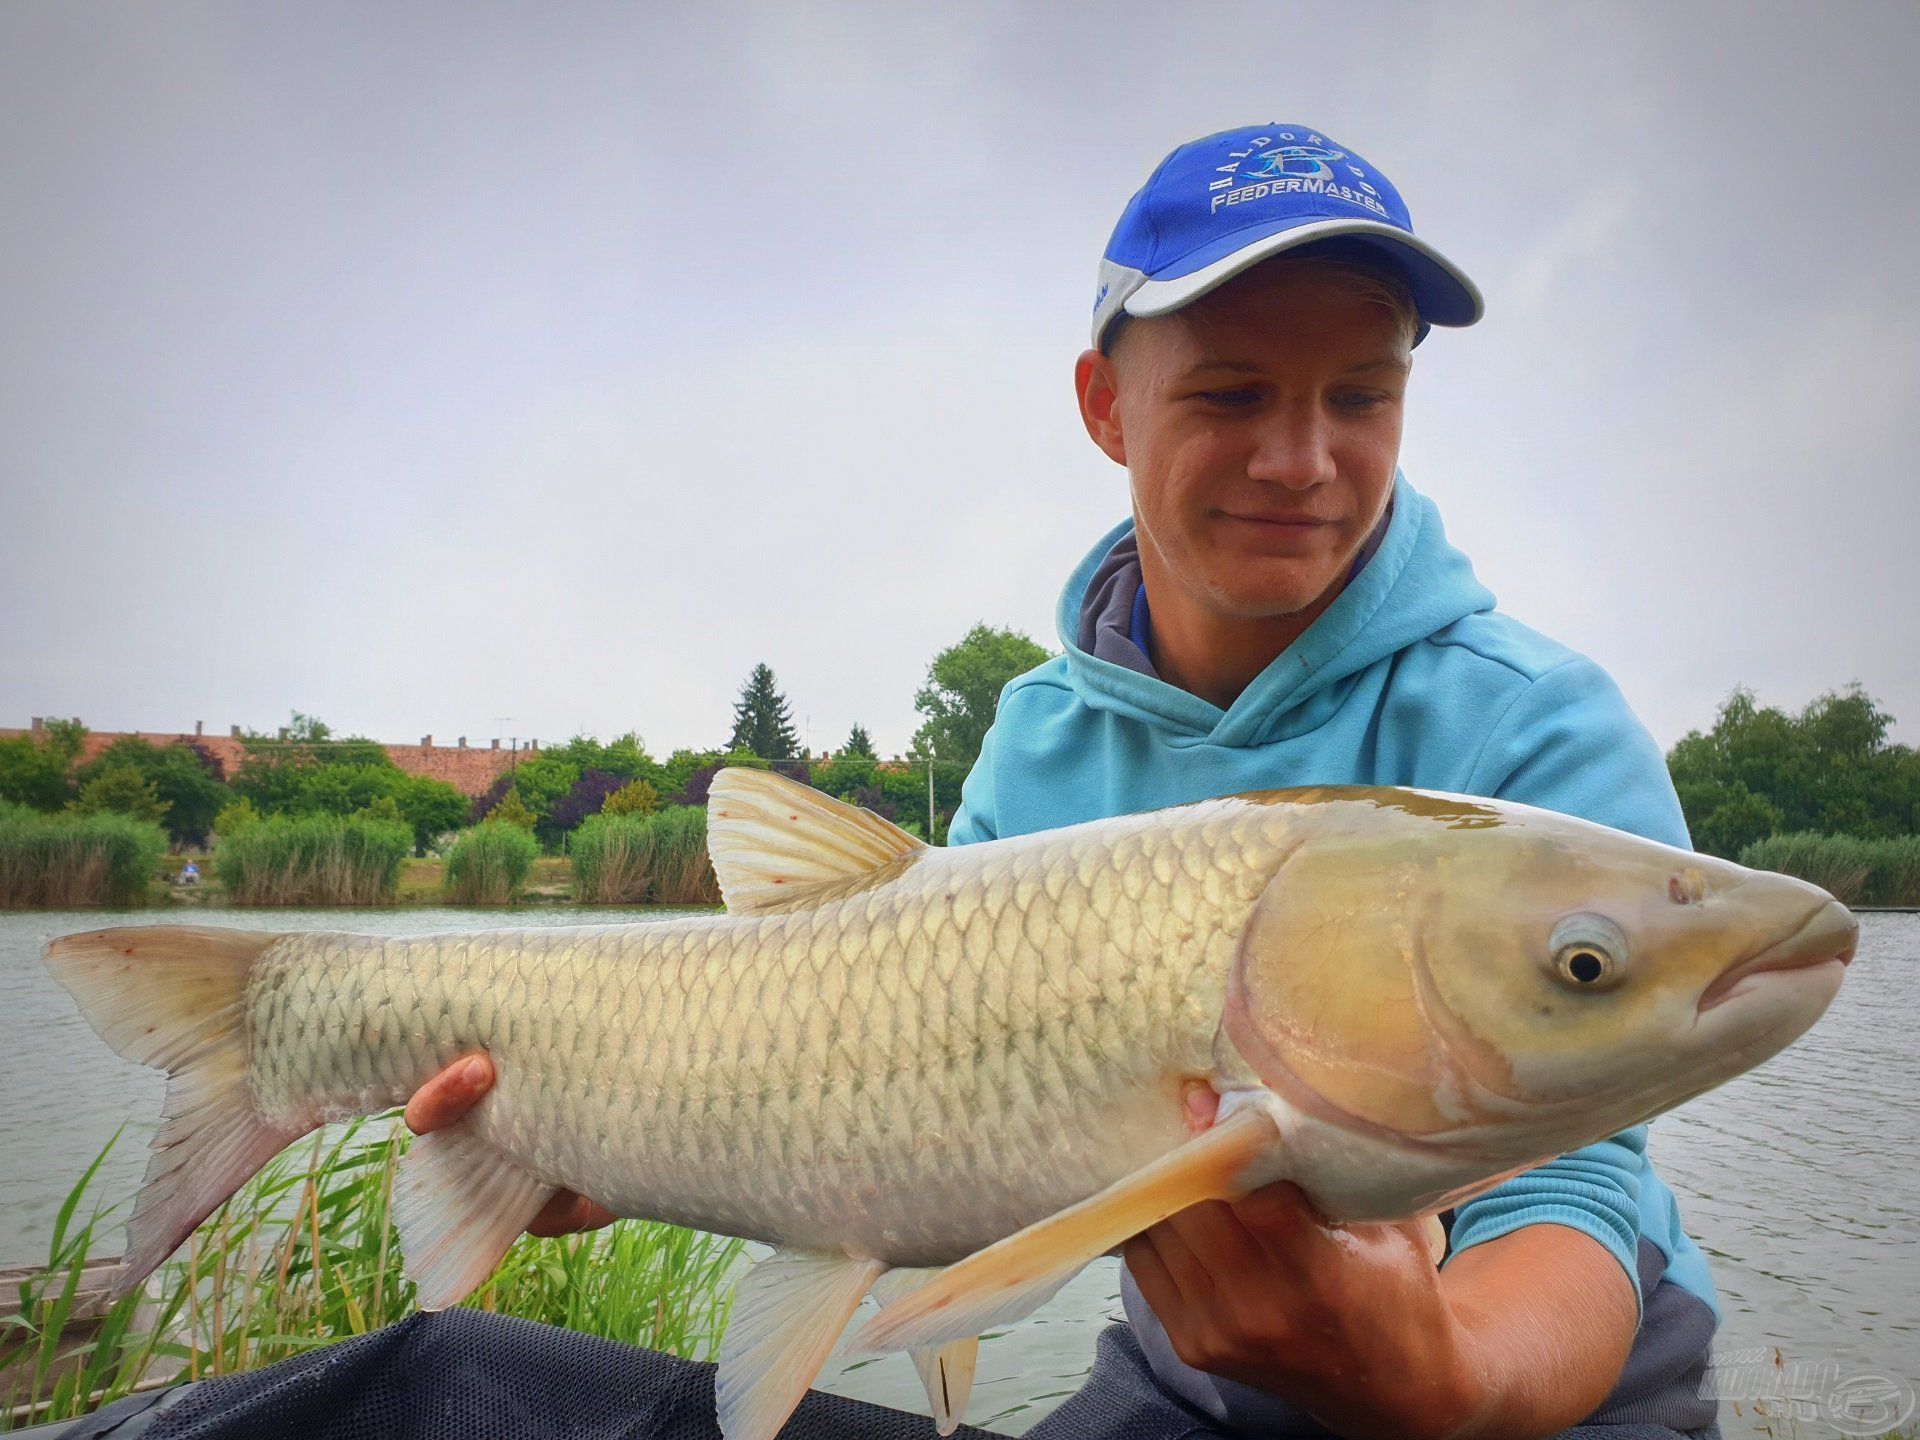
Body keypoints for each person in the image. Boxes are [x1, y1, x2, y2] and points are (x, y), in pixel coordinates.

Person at [62, 125, 1715, 1440]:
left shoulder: (1535, 740)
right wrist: (600, 1137)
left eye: (1363, 394)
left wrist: (1431, 1389)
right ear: (1104, 406)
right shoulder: (1037, 743)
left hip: (1549, 1396)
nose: (1304, 457)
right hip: (1197, 1383)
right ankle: (288, 1031)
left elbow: (1583, 1194)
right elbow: (897, 1116)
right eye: (1231, 393)